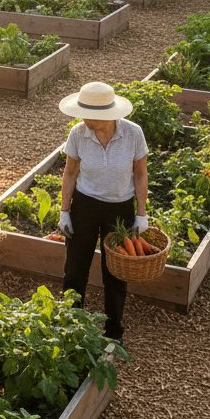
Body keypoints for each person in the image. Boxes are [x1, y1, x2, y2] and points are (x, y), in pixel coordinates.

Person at [58, 81, 149, 343]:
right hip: (85, 205)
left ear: (105, 115)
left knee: (115, 272)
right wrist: (65, 211)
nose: (82, 117)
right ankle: (71, 323)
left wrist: (141, 214)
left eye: (88, 113)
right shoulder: (78, 134)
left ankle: (113, 331)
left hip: (119, 208)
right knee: (75, 268)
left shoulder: (133, 134)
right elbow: (70, 172)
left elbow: (141, 174)